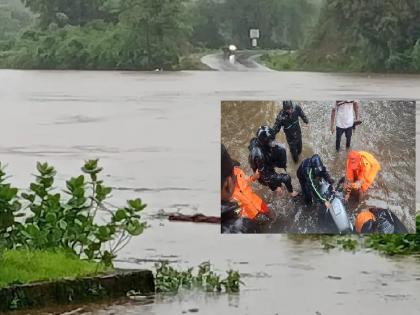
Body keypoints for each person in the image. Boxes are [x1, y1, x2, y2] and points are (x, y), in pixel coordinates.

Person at [248, 126, 298, 197]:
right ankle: (291, 193)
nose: (273, 142)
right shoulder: (259, 156)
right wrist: (275, 187)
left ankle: (277, 186)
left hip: (264, 166)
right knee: (286, 178)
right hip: (262, 174)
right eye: (270, 141)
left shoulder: (256, 141)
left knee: (280, 150)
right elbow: (265, 176)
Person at [221, 144, 258, 233]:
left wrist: (254, 177)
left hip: (256, 202)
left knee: (268, 213)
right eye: (232, 171)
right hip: (247, 214)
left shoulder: (238, 172)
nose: (235, 171)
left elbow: (247, 180)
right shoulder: (241, 226)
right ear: (228, 184)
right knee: (255, 222)